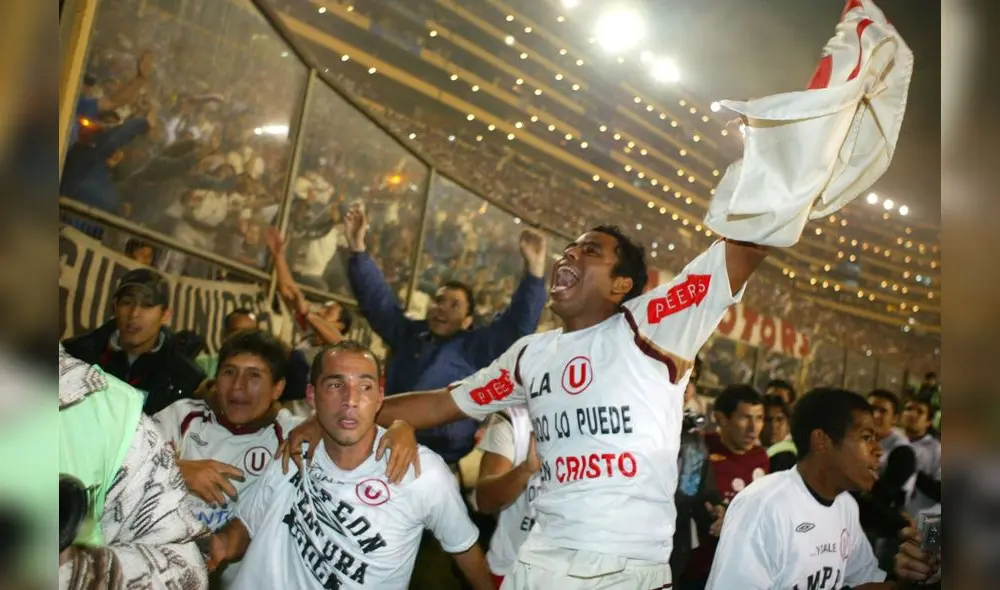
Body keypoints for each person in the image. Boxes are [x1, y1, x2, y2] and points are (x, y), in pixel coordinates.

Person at [285, 224, 768, 588]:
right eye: (570, 248)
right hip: (537, 562)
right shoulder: (531, 355)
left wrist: (795, 148)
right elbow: (439, 404)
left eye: (590, 251)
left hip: (624, 567)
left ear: (621, 285)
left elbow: (741, 251)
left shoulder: (653, 326)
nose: (570, 254)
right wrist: (335, 417)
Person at [206, 341, 495, 589]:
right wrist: (215, 547)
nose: (351, 400)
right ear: (311, 396)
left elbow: (467, 553)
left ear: (380, 396)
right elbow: (247, 524)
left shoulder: (423, 474)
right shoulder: (294, 450)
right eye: (335, 385)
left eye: (365, 386)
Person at [342, 206, 548, 467]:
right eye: (439, 301)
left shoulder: (477, 349)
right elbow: (377, 301)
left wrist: (535, 272)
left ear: (468, 320)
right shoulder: (409, 335)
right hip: (381, 449)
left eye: (454, 305)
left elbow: (517, 326)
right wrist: (358, 249)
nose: (442, 309)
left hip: (436, 462)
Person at [152, 330, 304, 586]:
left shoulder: (291, 434)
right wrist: (176, 469)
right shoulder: (181, 418)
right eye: (229, 372)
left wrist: (399, 428)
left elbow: (356, 424)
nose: (238, 386)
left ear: (278, 388)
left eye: (254, 375)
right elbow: (119, 470)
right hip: (162, 571)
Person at [705, 388, 889, 589]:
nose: (878, 450)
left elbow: (866, 580)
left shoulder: (846, 507)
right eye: (866, 437)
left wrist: (913, 580)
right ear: (822, 441)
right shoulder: (762, 507)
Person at [59, 345, 207, 589]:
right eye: (127, 303)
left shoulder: (110, 406)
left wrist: (79, 572)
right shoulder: (94, 346)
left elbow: (185, 566)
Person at [62, 267, 207, 414]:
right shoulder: (76, 354)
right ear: (114, 307)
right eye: (127, 302)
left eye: (147, 305)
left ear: (165, 315)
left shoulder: (185, 376)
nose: (134, 313)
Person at [681, 384, 769, 589]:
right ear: (721, 418)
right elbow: (685, 498)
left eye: (759, 418)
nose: (753, 428)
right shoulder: (698, 450)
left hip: (743, 573)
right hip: (698, 570)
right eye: (745, 417)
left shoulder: (762, 458)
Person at [474, 407, 542, 589]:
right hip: (513, 569)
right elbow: (485, 502)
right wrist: (526, 469)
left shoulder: (606, 419)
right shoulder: (513, 419)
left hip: (579, 571)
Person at [900, 395, 942, 517]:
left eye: (919, 411)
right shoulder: (891, 441)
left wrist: (912, 471)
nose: (912, 414)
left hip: (919, 519)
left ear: (928, 422)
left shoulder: (937, 450)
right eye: (908, 409)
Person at [194, 308, 259, 378]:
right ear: (225, 334)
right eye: (237, 332)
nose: (244, 338)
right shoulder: (203, 365)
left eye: (250, 333)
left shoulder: (267, 368)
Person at [762, 394, 797, 472]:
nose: (773, 425)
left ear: (788, 424)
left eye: (779, 419)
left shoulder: (787, 457)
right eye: (768, 420)